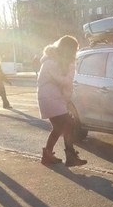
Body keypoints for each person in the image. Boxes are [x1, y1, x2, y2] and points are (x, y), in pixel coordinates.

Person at [37, 35, 87, 167]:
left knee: (59, 128)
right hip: (51, 98)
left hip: (51, 98)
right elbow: (63, 81)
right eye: (74, 49)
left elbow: (63, 82)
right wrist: (70, 72)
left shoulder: (53, 60)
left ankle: (48, 155)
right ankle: (70, 156)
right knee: (68, 124)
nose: (75, 52)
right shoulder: (52, 62)